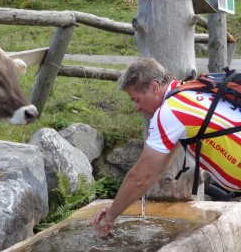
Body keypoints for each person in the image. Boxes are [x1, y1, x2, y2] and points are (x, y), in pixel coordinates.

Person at [90, 58, 241, 237]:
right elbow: (158, 168)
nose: (137, 107)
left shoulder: (170, 112)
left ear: (154, 87)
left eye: (136, 99)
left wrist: (110, 218)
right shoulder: (188, 90)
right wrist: (115, 208)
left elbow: (140, 177)